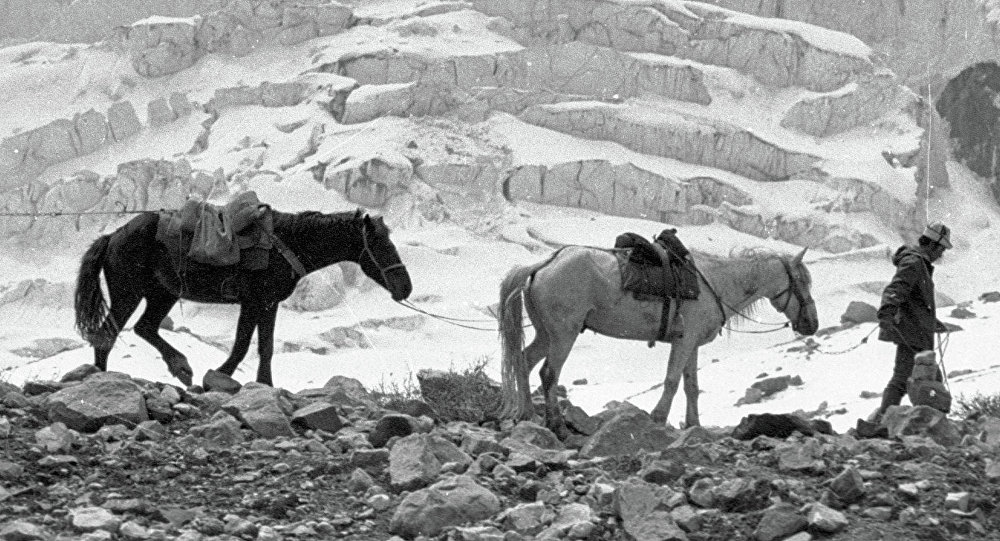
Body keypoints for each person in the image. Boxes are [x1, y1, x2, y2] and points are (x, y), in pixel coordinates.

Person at [874, 221, 952, 417]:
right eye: (941, 249)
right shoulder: (915, 263)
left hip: (917, 333)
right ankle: (885, 422)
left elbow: (915, 302)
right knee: (905, 379)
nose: (941, 254)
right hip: (912, 334)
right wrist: (887, 310)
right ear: (932, 245)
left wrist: (932, 323)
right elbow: (896, 288)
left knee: (925, 378)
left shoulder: (920, 264)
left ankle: (927, 422)